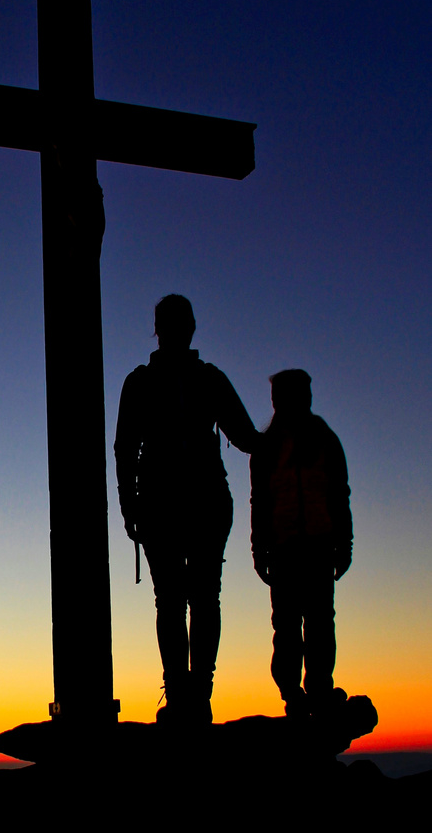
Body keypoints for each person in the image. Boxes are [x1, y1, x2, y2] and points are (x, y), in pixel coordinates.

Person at [114, 295, 259, 725]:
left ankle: (184, 696)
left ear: (157, 329)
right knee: (198, 599)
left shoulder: (143, 382)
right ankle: (194, 695)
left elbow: (125, 450)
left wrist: (129, 506)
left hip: (169, 505)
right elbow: (249, 438)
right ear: (189, 327)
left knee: (175, 602)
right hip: (199, 502)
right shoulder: (207, 379)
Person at [250, 369, 352, 717]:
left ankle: (318, 688)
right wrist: (259, 547)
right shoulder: (269, 447)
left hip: (317, 544)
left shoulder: (323, 438)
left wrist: (344, 542)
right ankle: (294, 694)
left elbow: (339, 494)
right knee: (291, 624)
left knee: (317, 621)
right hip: (286, 547)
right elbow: (260, 501)